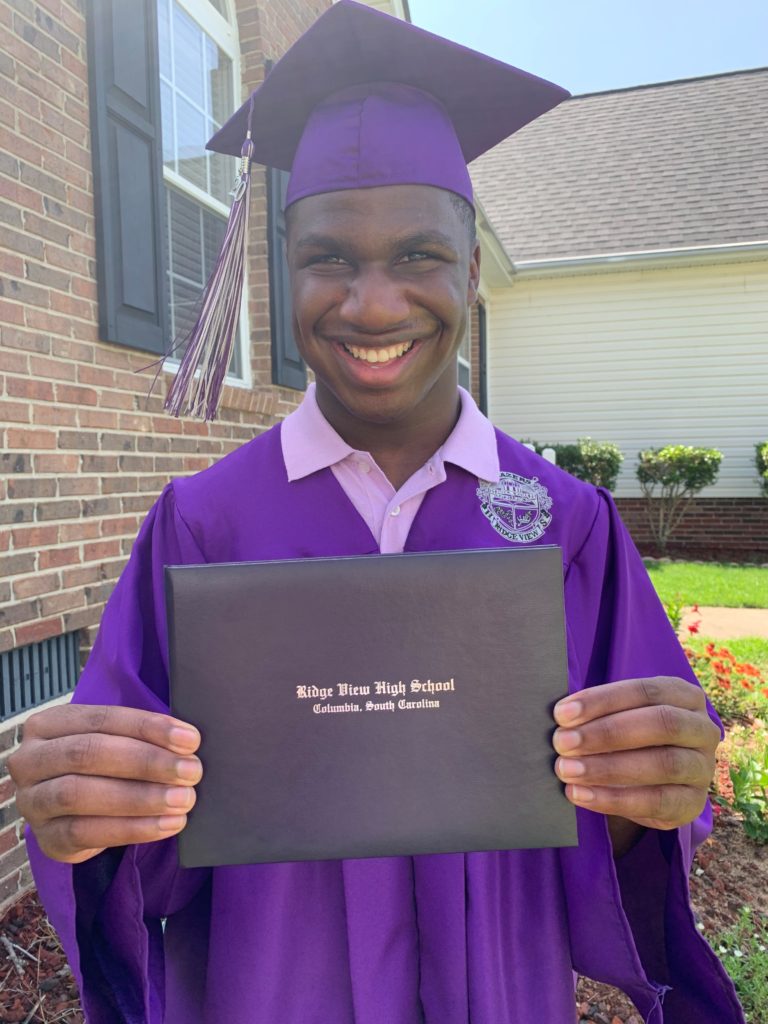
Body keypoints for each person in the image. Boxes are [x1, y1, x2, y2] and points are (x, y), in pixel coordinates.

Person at [8, 3, 744, 1022]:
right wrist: (88, 813)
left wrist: (655, 794)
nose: (372, 303)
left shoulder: (566, 525)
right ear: (286, 268)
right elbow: (146, 868)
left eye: (416, 254)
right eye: (329, 259)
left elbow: (631, 841)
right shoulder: (201, 527)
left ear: (471, 269)